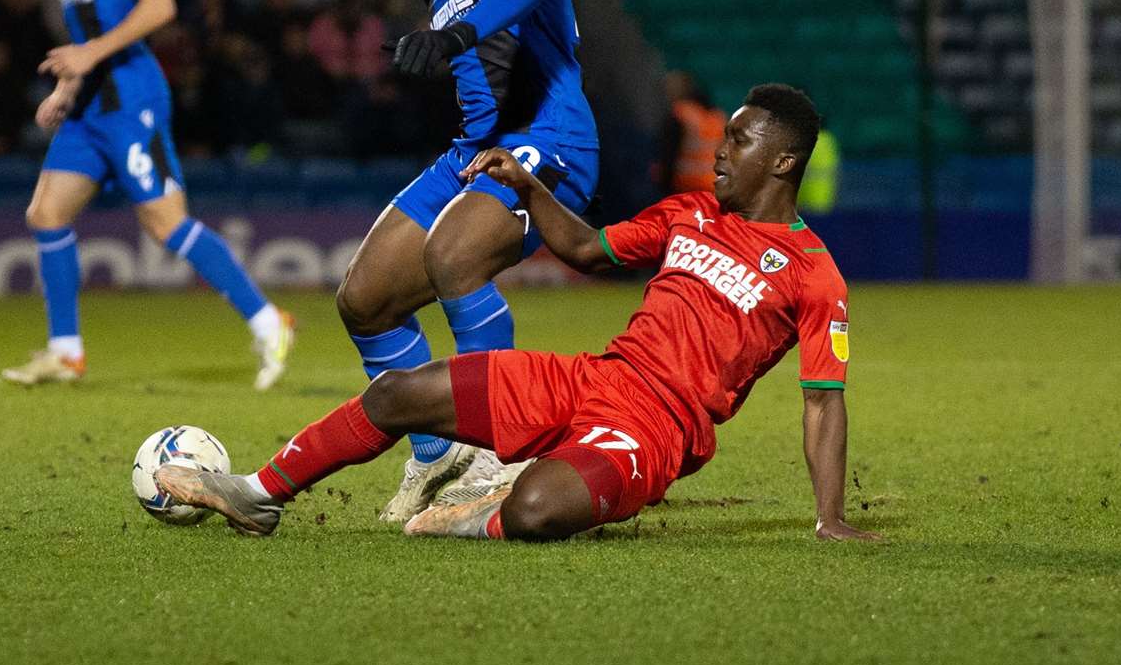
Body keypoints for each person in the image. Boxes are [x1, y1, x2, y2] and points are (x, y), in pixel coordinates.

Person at [155, 86, 878, 544]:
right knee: (397, 394)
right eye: (725, 136)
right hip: (593, 377)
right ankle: (257, 494)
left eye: (740, 142)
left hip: (658, 428)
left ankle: (481, 514)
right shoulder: (688, 214)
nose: (719, 152)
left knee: (535, 510)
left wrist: (829, 515)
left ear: (783, 164)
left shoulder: (815, 274)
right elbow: (589, 251)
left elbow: (823, 403)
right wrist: (531, 188)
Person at [334, 0, 601, 523]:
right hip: (474, 152)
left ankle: (499, 450)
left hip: (552, 139)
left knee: (454, 255)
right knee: (363, 299)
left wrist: (455, 33)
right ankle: (436, 453)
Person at [3, 0, 294, 388]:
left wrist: (88, 58)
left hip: (131, 98)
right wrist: (67, 86)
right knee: (45, 213)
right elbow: (88, 25)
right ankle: (65, 353)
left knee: (166, 225)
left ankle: (268, 320)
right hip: (89, 108)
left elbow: (160, 5)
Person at [658, 70, 725, 196]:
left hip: (684, 186)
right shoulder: (717, 117)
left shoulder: (680, 114)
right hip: (711, 186)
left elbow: (669, 151)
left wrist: (663, 182)